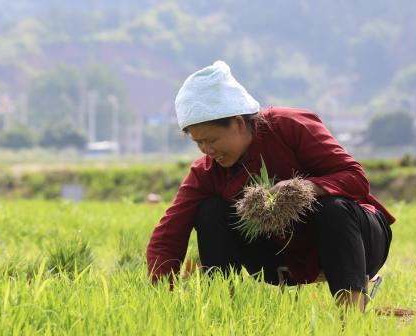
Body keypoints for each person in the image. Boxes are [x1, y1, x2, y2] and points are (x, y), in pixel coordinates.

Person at [146, 60, 395, 312]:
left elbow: (356, 178)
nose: (208, 151)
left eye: (212, 140)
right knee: (210, 211)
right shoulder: (207, 172)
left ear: (239, 122)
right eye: (199, 143)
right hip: (282, 259)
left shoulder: (290, 126)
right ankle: (220, 310)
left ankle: (350, 317)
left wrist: (308, 188)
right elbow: (169, 234)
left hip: (358, 243)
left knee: (333, 208)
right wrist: (160, 301)